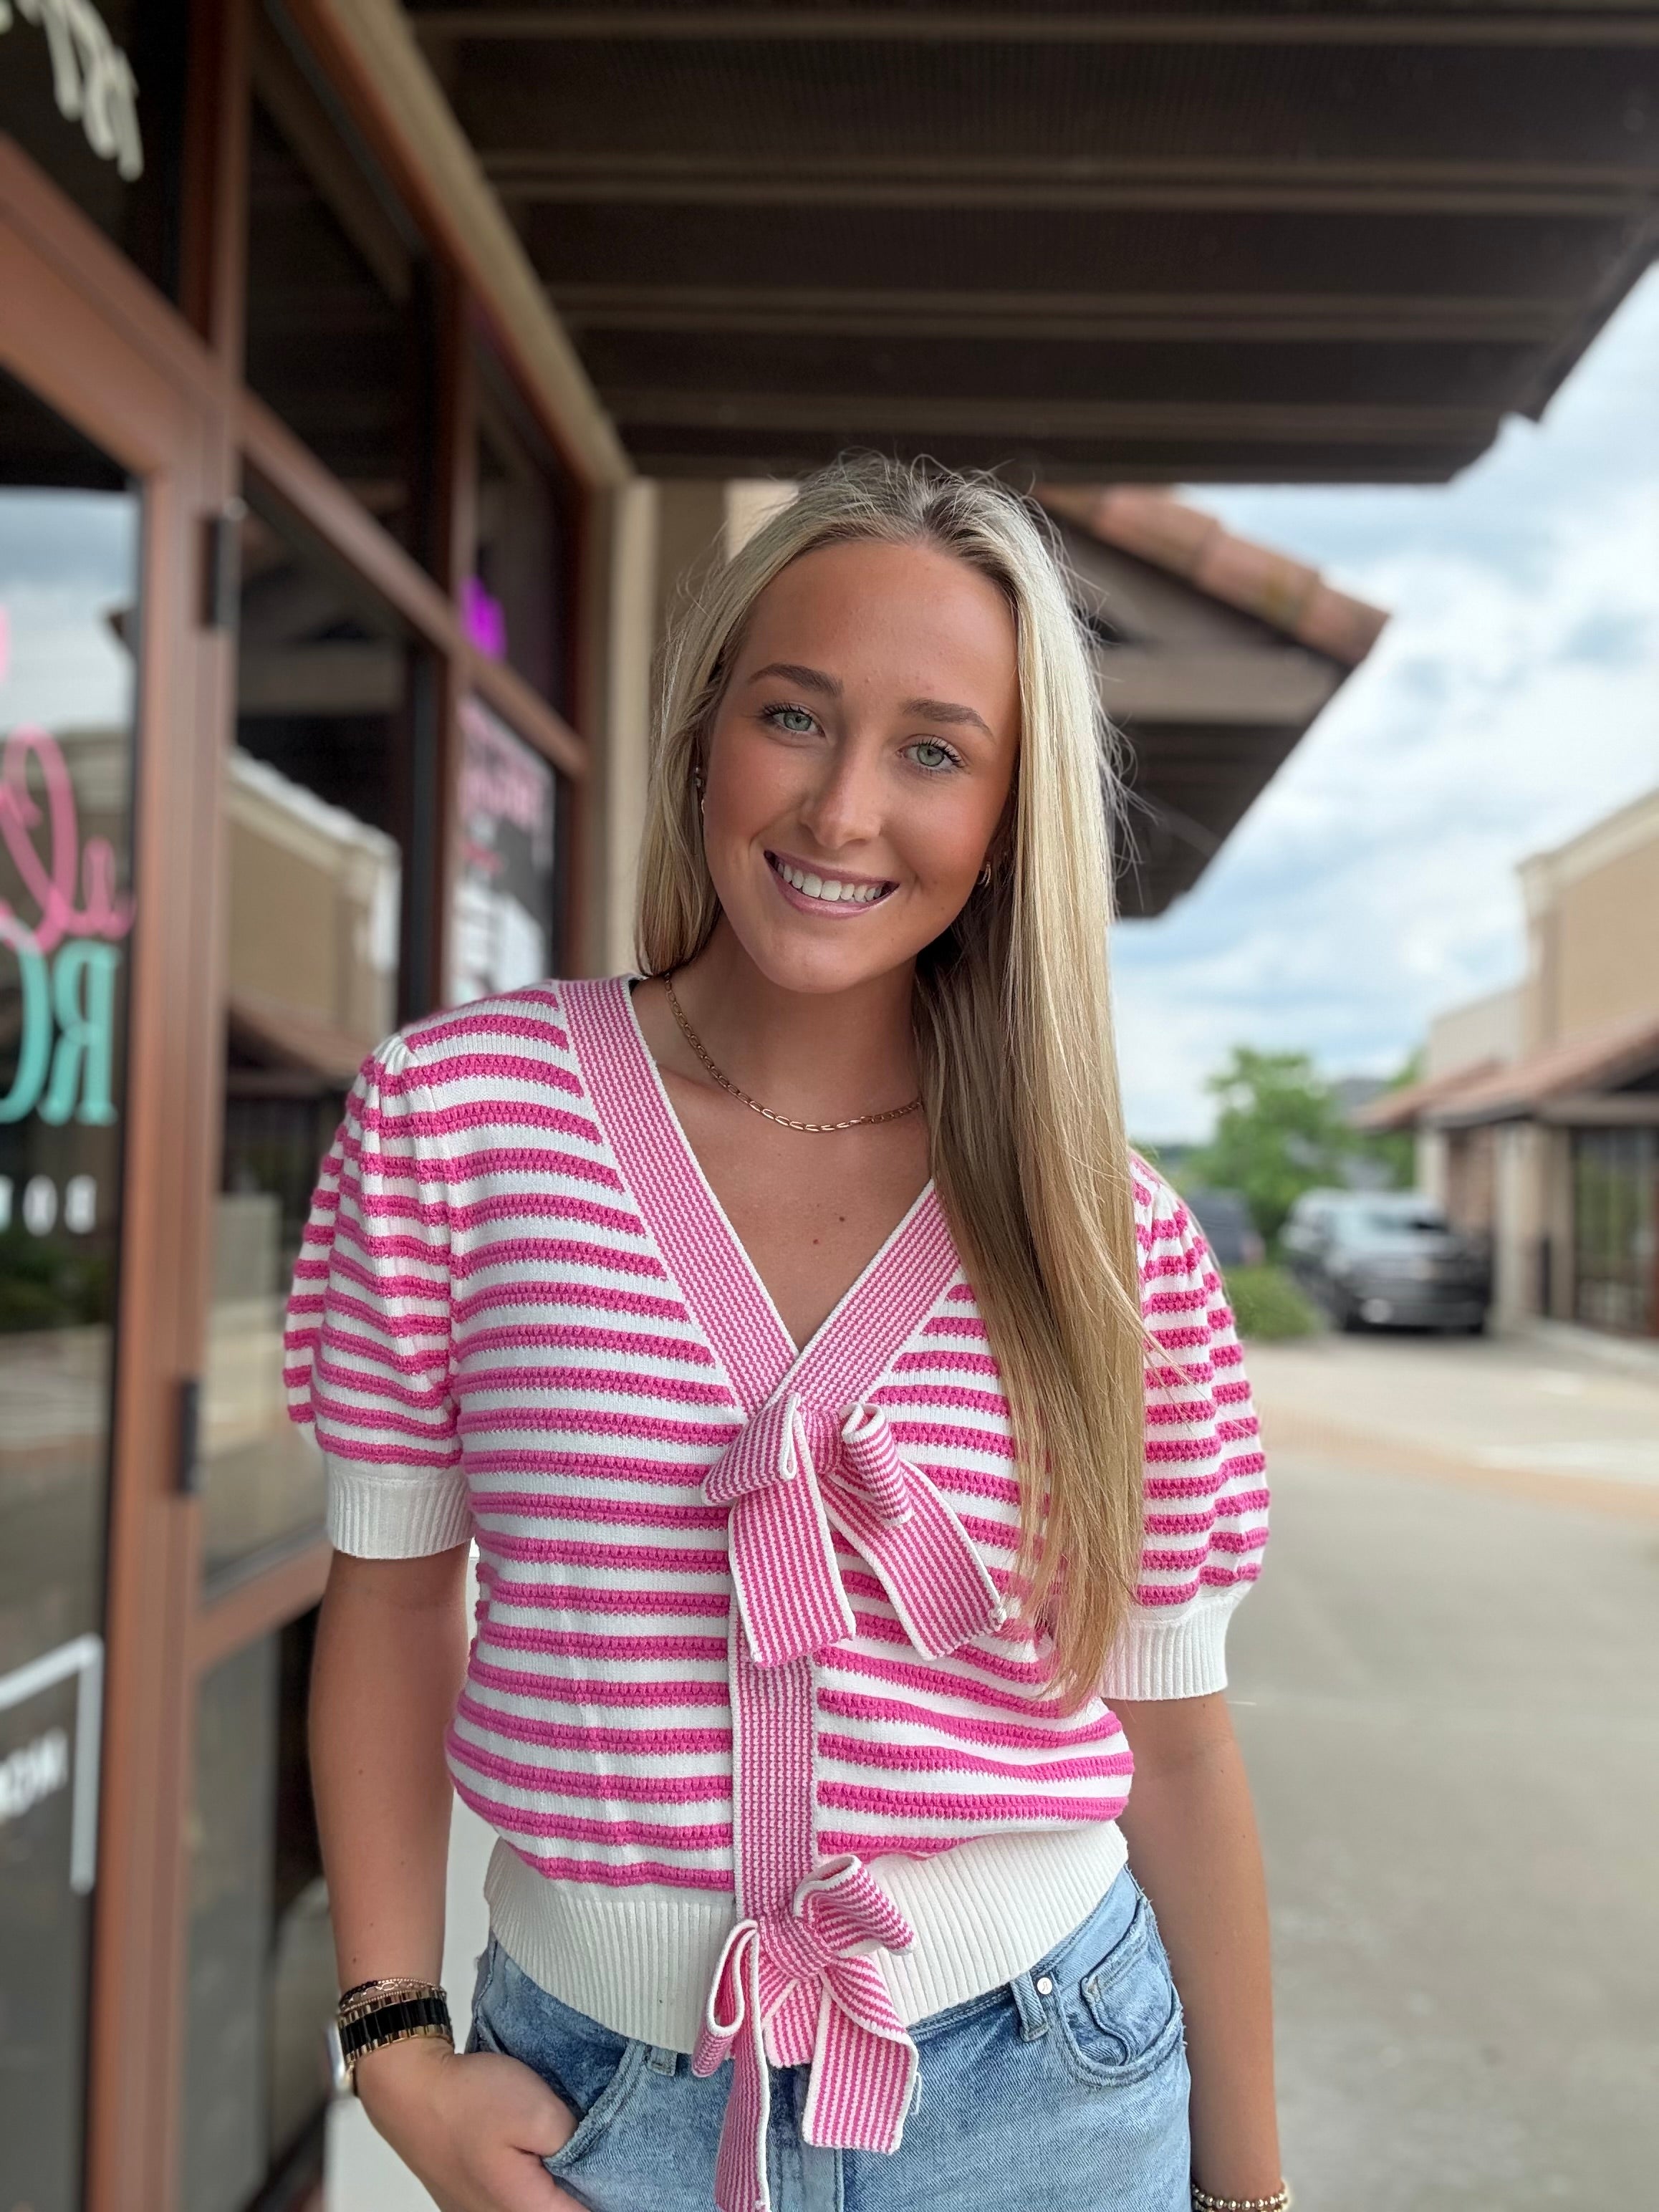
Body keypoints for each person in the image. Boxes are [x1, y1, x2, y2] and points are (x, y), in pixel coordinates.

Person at [289, 458, 1283, 2212]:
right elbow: (387, 1600)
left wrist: (1251, 2194)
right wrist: (394, 2047)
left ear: (1009, 819)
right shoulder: (458, 1123)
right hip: (594, 2103)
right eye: (794, 715)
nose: (840, 808)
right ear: (703, 739)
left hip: (1054, 2090)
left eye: (934, 750)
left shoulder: (1107, 1237)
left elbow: (1182, 1746)